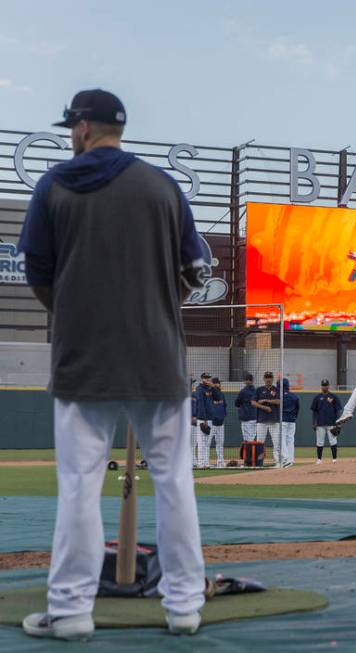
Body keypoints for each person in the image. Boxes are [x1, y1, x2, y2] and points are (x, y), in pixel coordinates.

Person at [17, 89, 207, 639]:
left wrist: (74, 309)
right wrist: (155, 300)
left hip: (84, 358)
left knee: (78, 486)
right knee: (175, 483)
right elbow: (196, 268)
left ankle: (72, 612)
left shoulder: (53, 185)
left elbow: (37, 271)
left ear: (82, 126)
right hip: (157, 357)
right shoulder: (161, 186)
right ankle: (184, 608)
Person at [311, 380, 343, 464]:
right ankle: (319, 459)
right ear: (321, 386)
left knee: (333, 441)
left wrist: (338, 422)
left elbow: (338, 410)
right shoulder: (317, 397)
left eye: (326, 385)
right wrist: (314, 422)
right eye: (323, 385)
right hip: (320, 423)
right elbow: (314, 411)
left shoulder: (334, 396)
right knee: (319, 441)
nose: (324, 387)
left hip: (331, 423)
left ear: (329, 386)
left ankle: (334, 459)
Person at [253, 371, 281, 465]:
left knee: (277, 442)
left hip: (274, 420)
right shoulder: (259, 390)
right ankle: (259, 461)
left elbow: (279, 401)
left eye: (270, 377)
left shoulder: (276, 389)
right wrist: (264, 407)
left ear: (272, 379)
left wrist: (266, 400)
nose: (268, 379)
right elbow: (253, 402)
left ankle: (277, 461)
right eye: (267, 377)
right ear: (264, 379)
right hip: (262, 420)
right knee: (260, 443)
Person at [193, 373, 213, 468]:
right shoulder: (199, 389)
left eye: (208, 378)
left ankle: (205, 462)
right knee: (201, 442)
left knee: (206, 442)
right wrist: (204, 419)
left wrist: (213, 387)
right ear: (202, 379)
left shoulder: (209, 389)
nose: (207, 379)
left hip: (209, 418)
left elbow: (217, 396)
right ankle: (201, 463)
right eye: (205, 378)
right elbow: (201, 405)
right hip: (202, 419)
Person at [279, 378, 299, 468]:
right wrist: (294, 417)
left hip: (282, 420)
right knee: (290, 440)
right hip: (292, 420)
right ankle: (290, 460)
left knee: (281, 439)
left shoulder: (279, 396)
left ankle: (286, 459)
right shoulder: (294, 396)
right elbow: (297, 409)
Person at [234, 373, 258, 442]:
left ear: (247, 381)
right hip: (254, 417)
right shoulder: (256, 391)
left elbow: (236, 403)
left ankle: (248, 452)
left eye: (245, 379)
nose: (244, 381)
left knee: (246, 439)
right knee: (252, 437)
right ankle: (252, 452)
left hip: (246, 418)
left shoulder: (243, 391)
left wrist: (241, 405)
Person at [209, 378, 227, 467]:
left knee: (220, 443)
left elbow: (225, 406)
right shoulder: (209, 394)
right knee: (207, 443)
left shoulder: (222, 394)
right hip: (211, 423)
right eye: (215, 383)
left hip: (220, 423)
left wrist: (223, 416)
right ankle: (205, 461)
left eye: (218, 383)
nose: (217, 385)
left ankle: (220, 461)